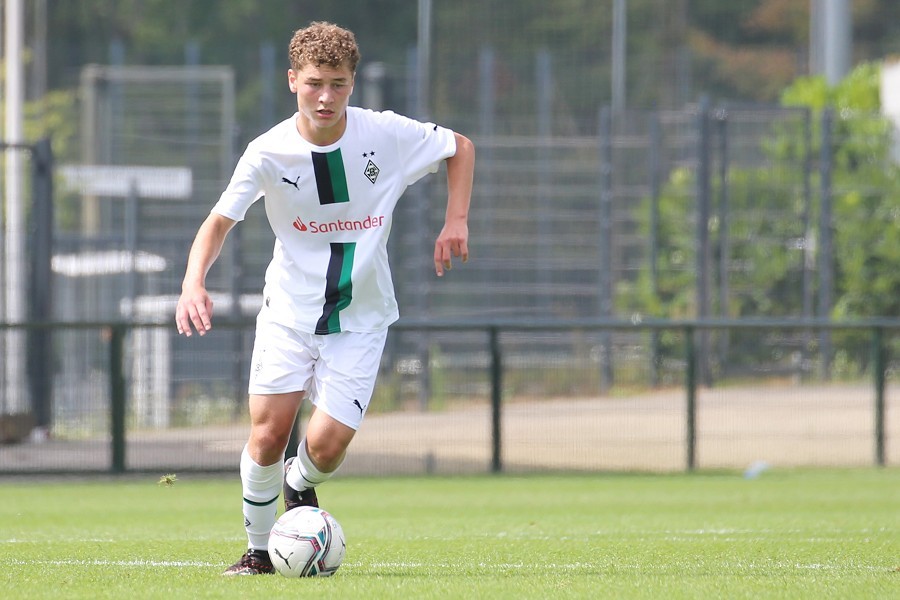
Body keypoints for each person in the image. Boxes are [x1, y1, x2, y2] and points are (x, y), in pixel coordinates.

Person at [174, 21, 475, 576]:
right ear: (292, 81)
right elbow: (217, 223)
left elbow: (459, 147)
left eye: (338, 83)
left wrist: (455, 219)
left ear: (352, 85)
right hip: (288, 314)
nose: (326, 96)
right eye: (314, 82)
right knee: (266, 435)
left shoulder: (385, 135)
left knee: (328, 446)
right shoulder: (267, 152)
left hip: (361, 318)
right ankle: (258, 553)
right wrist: (194, 281)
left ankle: (299, 483)